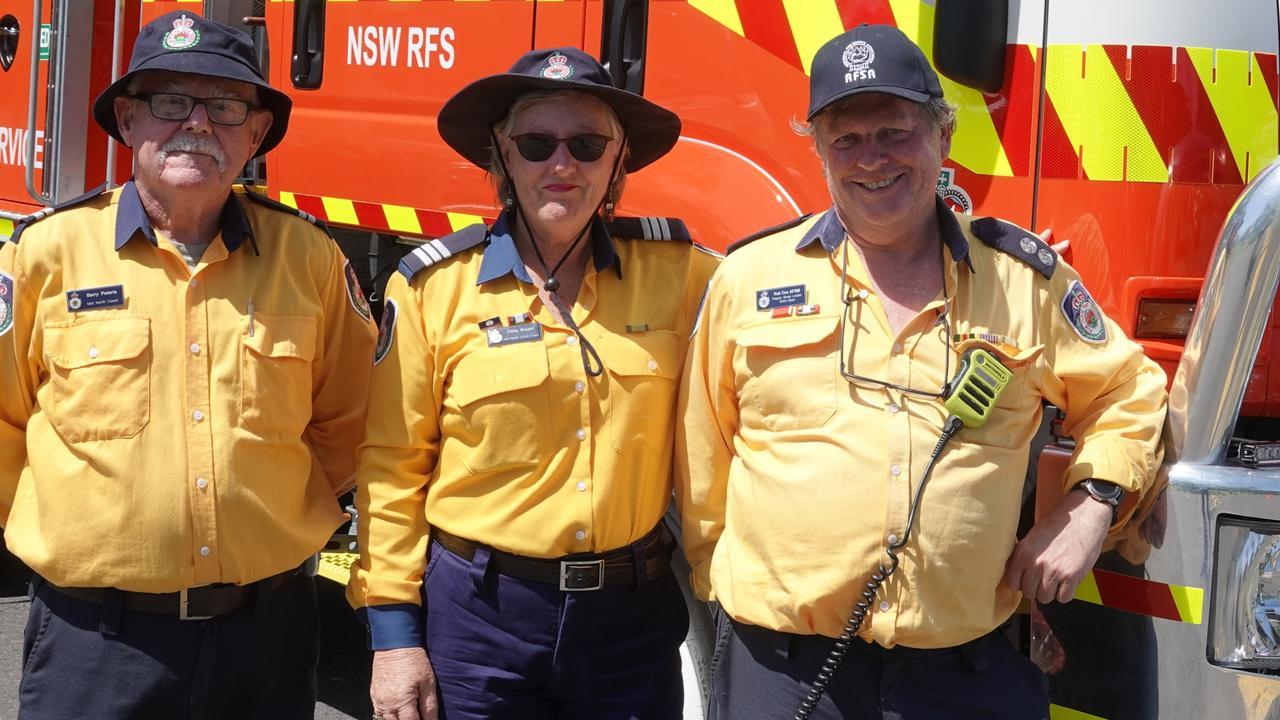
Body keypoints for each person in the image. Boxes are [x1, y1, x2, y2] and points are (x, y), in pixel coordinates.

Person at [676, 24, 1168, 720]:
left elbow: (1132, 391)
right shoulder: (748, 278)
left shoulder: (1022, 281)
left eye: (894, 131)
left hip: (964, 671)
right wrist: (723, 594)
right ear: (817, 150)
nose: (871, 158)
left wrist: (1091, 508)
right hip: (784, 666)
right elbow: (703, 465)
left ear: (943, 137)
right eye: (845, 139)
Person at [0, 12, 377, 719]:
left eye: (228, 106)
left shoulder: (311, 260)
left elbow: (349, 423)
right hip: (96, 643)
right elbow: (3, 424)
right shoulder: (43, 255)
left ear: (257, 133)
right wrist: (79, 521)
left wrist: (266, 511)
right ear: (128, 118)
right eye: (171, 101)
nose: (198, 124)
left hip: (266, 638)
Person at [348, 47, 718, 720]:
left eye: (587, 144)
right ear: (501, 158)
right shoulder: (435, 287)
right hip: (480, 620)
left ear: (618, 161)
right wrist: (395, 640)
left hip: (629, 625)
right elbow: (391, 467)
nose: (562, 164)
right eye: (536, 143)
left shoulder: (683, 274)